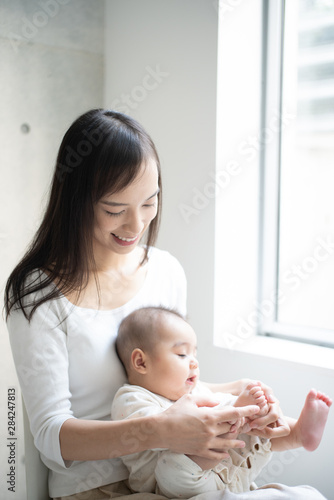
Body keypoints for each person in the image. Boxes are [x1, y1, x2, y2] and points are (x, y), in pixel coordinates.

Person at [4, 109, 327, 500]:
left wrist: (235, 396)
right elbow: (52, 436)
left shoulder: (165, 270)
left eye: (149, 202)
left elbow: (166, 386)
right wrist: (159, 431)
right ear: (76, 201)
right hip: (98, 489)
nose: (135, 225)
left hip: (182, 475)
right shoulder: (39, 295)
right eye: (114, 210)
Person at [112, 306, 332, 498]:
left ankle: (297, 434)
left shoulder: (196, 389)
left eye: (195, 355)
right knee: (172, 467)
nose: (195, 364)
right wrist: (236, 410)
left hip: (227, 472)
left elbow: (225, 405)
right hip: (173, 485)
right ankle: (242, 419)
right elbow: (159, 434)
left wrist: (253, 409)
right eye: (181, 355)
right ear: (141, 362)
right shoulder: (132, 397)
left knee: (256, 426)